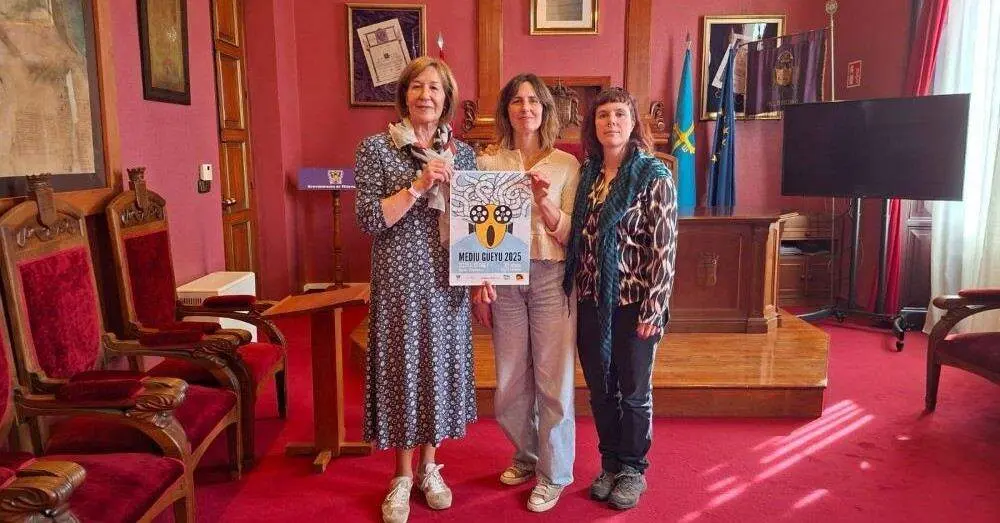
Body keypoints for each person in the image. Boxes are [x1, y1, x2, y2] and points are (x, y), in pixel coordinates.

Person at [354, 56, 478, 523]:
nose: (426, 95)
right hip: (399, 282)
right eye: (417, 87)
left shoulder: (462, 155)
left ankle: (430, 467)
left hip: (448, 280)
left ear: (446, 101)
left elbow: (474, 223)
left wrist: (486, 272)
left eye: (436, 89)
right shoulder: (376, 149)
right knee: (404, 372)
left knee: (438, 371)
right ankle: (401, 477)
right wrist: (418, 184)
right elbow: (368, 219)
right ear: (404, 94)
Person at [562, 87, 678, 510]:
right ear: (593, 126)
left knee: (632, 391)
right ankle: (609, 462)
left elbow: (664, 248)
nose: (611, 122)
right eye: (603, 116)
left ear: (633, 124)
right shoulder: (589, 175)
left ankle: (632, 469)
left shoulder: (653, 176)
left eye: (619, 115)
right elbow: (578, 237)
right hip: (592, 301)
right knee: (599, 390)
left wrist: (655, 306)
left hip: (635, 305)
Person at [472, 73, 581, 513]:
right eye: (516, 101)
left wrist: (544, 204)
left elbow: (573, 233)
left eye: (533, 100)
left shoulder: (566, 166)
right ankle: (527, 454)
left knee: (554, 382)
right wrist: (480, 281)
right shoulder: (486, 163)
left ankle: (554, 474)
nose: (525, 107)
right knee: (511, 382)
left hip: (551, 278)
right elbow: (474, 231)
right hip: (502, 280)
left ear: (545, 110)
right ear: (507, 111)